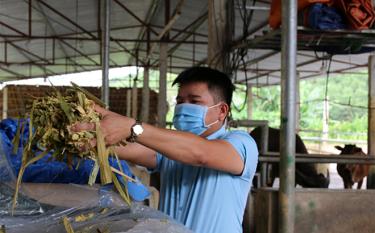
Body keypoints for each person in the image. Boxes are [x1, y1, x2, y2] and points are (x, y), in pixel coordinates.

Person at [72, 67, 259, 233]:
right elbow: (121, 145)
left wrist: (132, 127)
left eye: (194, 101)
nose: (184, 107)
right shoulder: (170, 149)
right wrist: (88, 130)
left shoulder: (240, 143)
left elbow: (200, 154)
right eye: (180, 101)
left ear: (222, 111)